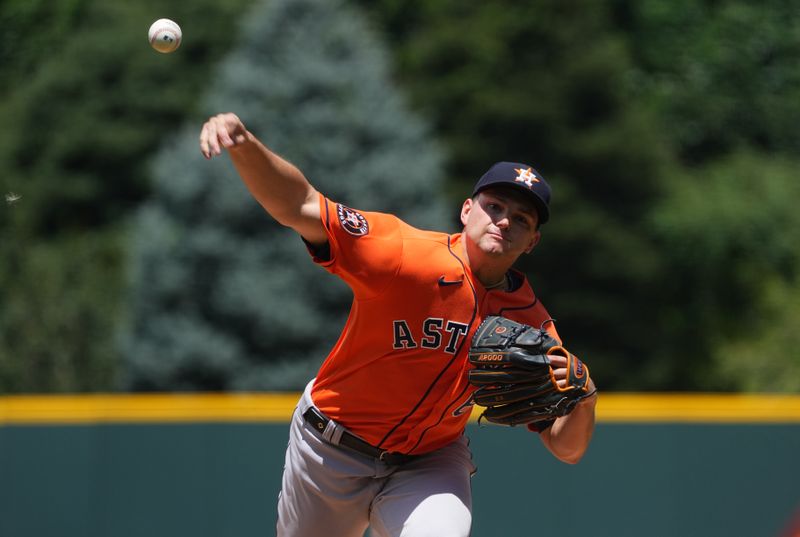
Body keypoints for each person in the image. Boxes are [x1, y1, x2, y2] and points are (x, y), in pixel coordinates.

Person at [199, 113, 598, 537]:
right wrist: (243, 144)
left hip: (430, 461)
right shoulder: (405, 255)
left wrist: (585, 396)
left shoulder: (532, 324)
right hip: (330, 447)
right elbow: (301, 204)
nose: (503, 221)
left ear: (532, 241)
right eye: (494, 207)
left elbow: (566, 448)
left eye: (521, 219)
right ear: (467, 210)